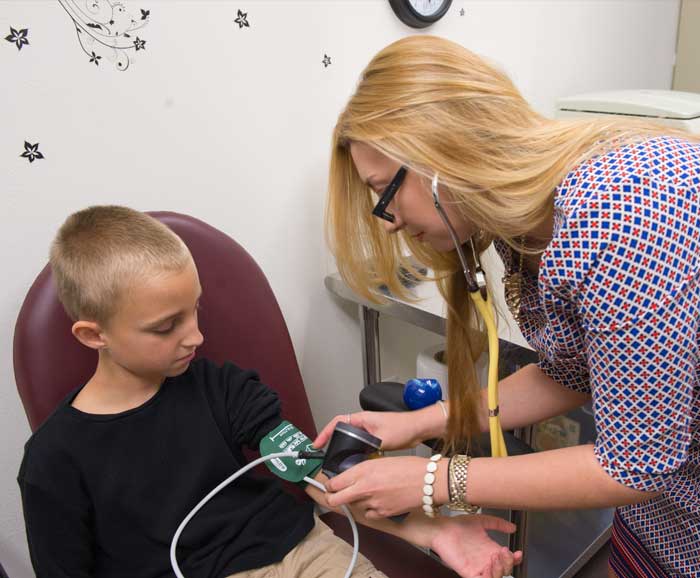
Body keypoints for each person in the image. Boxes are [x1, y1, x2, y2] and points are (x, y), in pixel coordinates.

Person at [314, 35, 700, 578]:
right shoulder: (519, 227)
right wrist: (425, 421)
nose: (390, 221)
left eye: (384, 192)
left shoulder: (614, 213)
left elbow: (635, 466)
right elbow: (574, 373)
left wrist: (433, 479)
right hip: (664, 515)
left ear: (440, 154)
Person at [17, 205, 522, 578]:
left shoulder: (222, 388)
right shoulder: (54, 461)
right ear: (93, 335)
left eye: (195, 310)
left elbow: (316, 474)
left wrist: (430, 529)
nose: (195, 335)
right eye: (165, 326)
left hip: (304, 554)